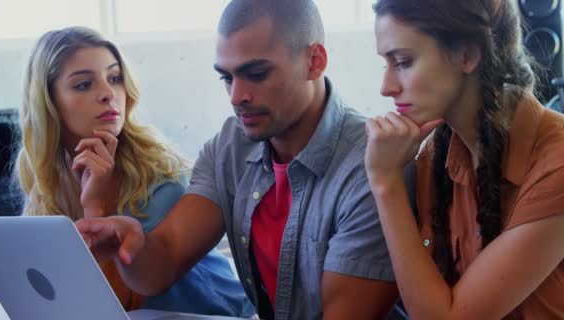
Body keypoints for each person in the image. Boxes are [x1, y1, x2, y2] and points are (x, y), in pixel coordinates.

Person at [76, 1, 399, 319]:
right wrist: (131, 243)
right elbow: (164, 262)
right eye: (227, 78)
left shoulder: (372, 165)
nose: (236, 96)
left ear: (314, 62)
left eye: (256, 74)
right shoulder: (230, 147)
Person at [14, 26, 255, 317]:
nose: (107, 93)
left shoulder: (159, 175)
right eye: (83, 85)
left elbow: (120, 300)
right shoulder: (47, 181)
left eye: (115, 78)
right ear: (48, 101)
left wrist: (95, 208)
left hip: (215, 314)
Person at [365, 0, 564, 319]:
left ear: (467, 55)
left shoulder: (556, 163)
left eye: (403, 62)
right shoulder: (435, 154)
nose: (386, 87)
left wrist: (386, 184)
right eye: (385, 64)